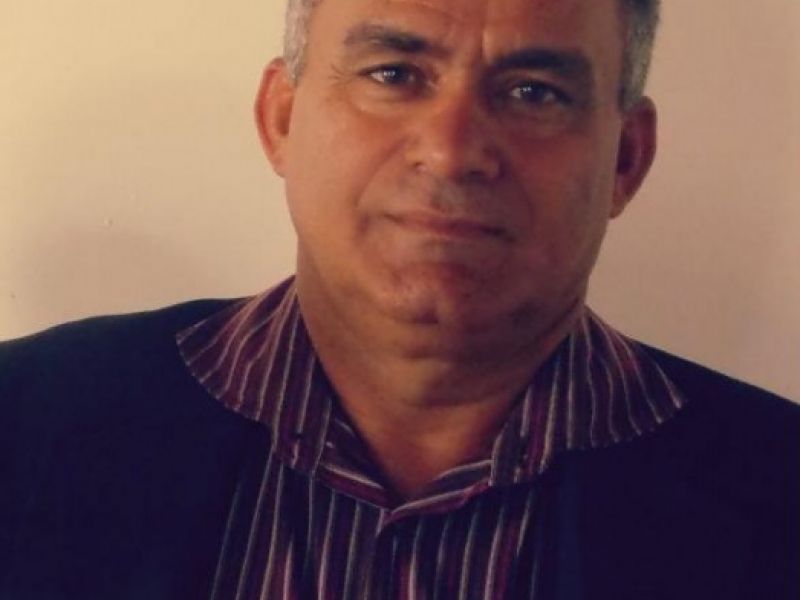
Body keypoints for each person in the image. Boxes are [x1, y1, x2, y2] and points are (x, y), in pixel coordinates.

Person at [1, 0, 798, 598]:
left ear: (626, 158)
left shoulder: (779, 491)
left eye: (533, 92)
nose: (450, 151)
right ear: (282, 118)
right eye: (393, 74)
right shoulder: (24, 424)